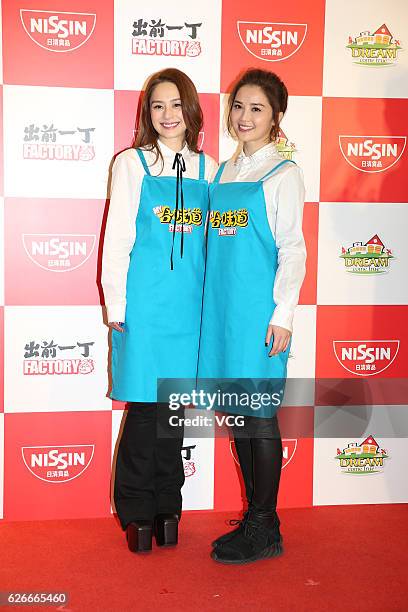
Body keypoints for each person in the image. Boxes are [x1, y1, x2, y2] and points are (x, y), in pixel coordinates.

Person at [102, 68, 218, 553]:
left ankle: (169, 507)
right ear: (147, 114)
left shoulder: (210, 169)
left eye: (176, 105)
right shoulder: (131, 164)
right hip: (145, 306)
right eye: (158, 106)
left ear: (191, 110)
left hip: (189, 308)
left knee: (174, 410)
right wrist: (116, 301)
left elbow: (218, 239)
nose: (168, 115)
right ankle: (136, 513)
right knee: (147, 409)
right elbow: (119, 238)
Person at [198, 68, 306, 564]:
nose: (243, 117)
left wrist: (283, 313)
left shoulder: (283, 173)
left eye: (256, 108)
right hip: (223, 316)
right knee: (240, 414)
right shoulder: (223, 173)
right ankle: (256, 518)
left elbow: (292, 249)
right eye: (238, 106)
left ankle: (266, 525)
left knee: (259, 415)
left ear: (276, 117)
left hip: (259, 315)